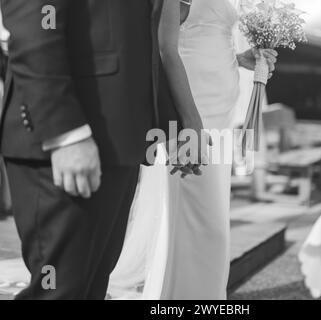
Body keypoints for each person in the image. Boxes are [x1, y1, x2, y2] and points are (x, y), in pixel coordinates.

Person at [0, 0, 204, 299]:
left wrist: (171, 131)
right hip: (63, 145)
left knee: (91, 286)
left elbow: (143, 45)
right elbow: (35, 33)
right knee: (57, 290)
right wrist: (66, 134)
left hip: (120, 141)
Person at [109, 0, 278, 300]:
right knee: (203, 223)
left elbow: (207, 33)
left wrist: (243, 58)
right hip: (194, 107)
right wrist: (190, 120)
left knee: (209, 218)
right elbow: (166, 47)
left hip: (221, 104)